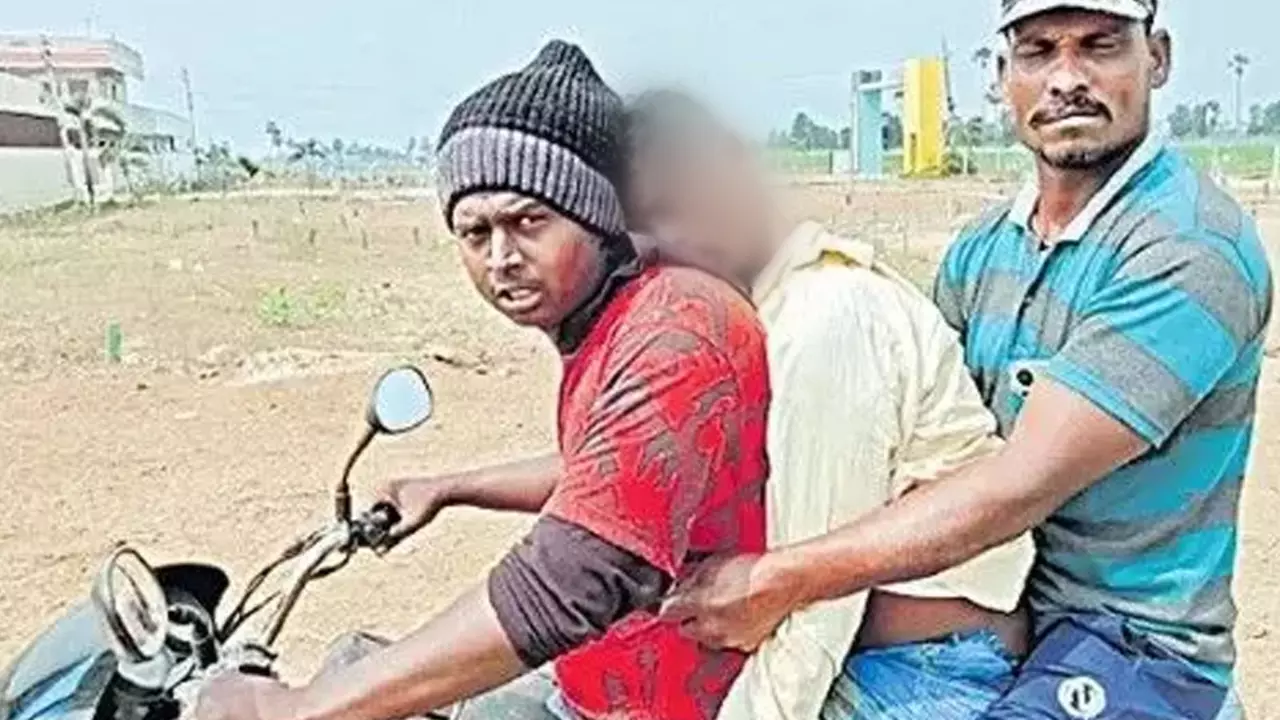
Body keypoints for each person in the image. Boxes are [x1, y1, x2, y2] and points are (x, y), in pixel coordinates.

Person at [661, 1, 1271, 718]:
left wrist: (781, 579)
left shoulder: (1189, 249)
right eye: (1039, 51)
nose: (1066, 78)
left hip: (1128, 642)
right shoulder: (984, 249)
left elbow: (1016, 485)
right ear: (1001, 75)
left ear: (1157, 58)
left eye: (1100, 47)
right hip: (1004, 617)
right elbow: (934, 440)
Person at [193, 40, 771, 720]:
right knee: (357, 656)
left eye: (528, 222)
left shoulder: (677, 327)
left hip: (658, 709)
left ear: (595, 217)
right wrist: (449, 487)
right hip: (588, 684)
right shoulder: (616, 320)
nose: (502, 259)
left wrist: (291, 710)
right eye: (475, 233)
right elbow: (605, 475)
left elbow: (572, 579)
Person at [623, 90, 1038, 720]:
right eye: (656, 219)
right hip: (865, 660)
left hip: (921, 677)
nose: (681, 235)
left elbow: (815, 603)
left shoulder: (823, 317)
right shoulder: (756, 314)